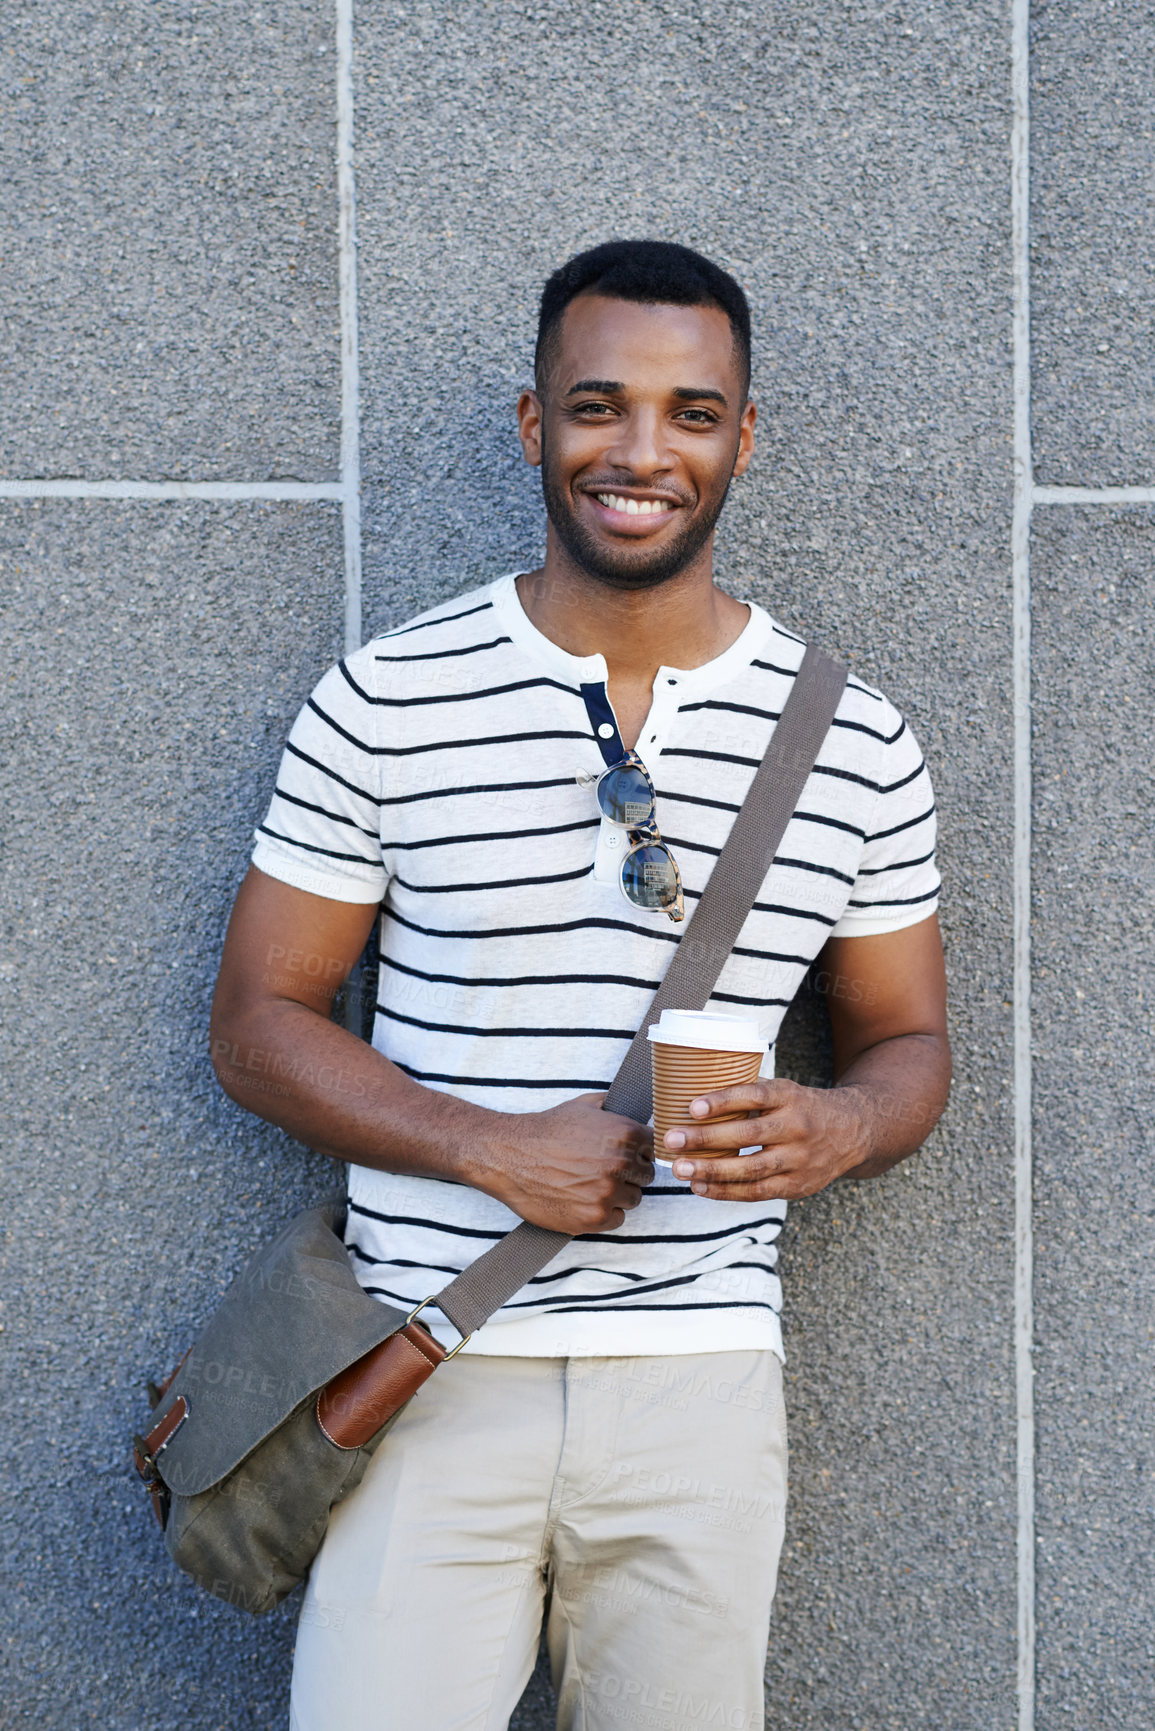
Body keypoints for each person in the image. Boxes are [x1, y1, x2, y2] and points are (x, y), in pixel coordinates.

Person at [210, 239, 950, 1731]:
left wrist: (844, 1129)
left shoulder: (859, 741)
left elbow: (908, 1039)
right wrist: (480, 1144)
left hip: (701, 1380)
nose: (641, 451)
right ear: (533, 422)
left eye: (691, 413)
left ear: (745, 436)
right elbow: (257, 1024)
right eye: (599, 404)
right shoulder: (387, 699)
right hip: (422, 1363)